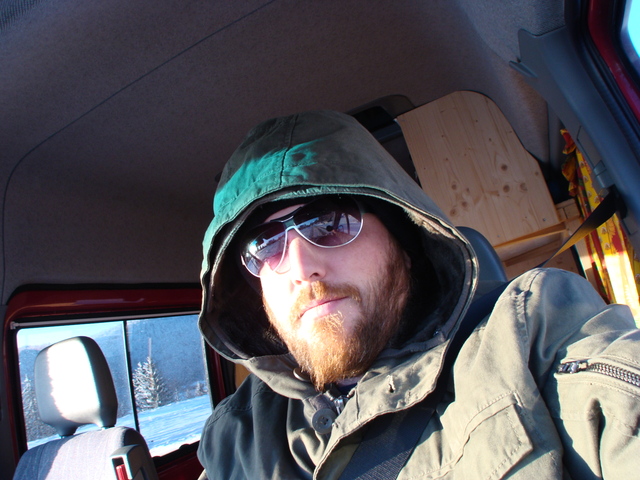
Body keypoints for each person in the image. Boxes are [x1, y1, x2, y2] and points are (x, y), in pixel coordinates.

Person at [197, 110, 640, 479]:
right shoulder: (236, 438)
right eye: (265, 244)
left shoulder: (531, 327)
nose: (299, 267)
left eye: (329, 222)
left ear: (405, 247)